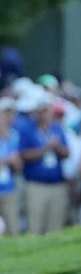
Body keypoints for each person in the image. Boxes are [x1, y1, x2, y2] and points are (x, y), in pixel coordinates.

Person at [18, 92, 70, 235]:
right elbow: (24, 155)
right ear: (36, 112)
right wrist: (46, 148)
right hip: (35, 185)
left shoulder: (57, 128)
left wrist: (56, 147)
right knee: (35, 226)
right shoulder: (28, 129)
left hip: (56, 184)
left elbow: (67, 153)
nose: (44, 113)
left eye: (47, 109)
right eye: (41, 110)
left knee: (55, 227)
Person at [0, 97, 21, 235]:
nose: (8, 117)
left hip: (8, 188)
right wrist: (6, 160)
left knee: (13, 229)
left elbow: (18, 166)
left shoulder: (14, 136)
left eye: (11, 113)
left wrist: (15, 162)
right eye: (4, 114)